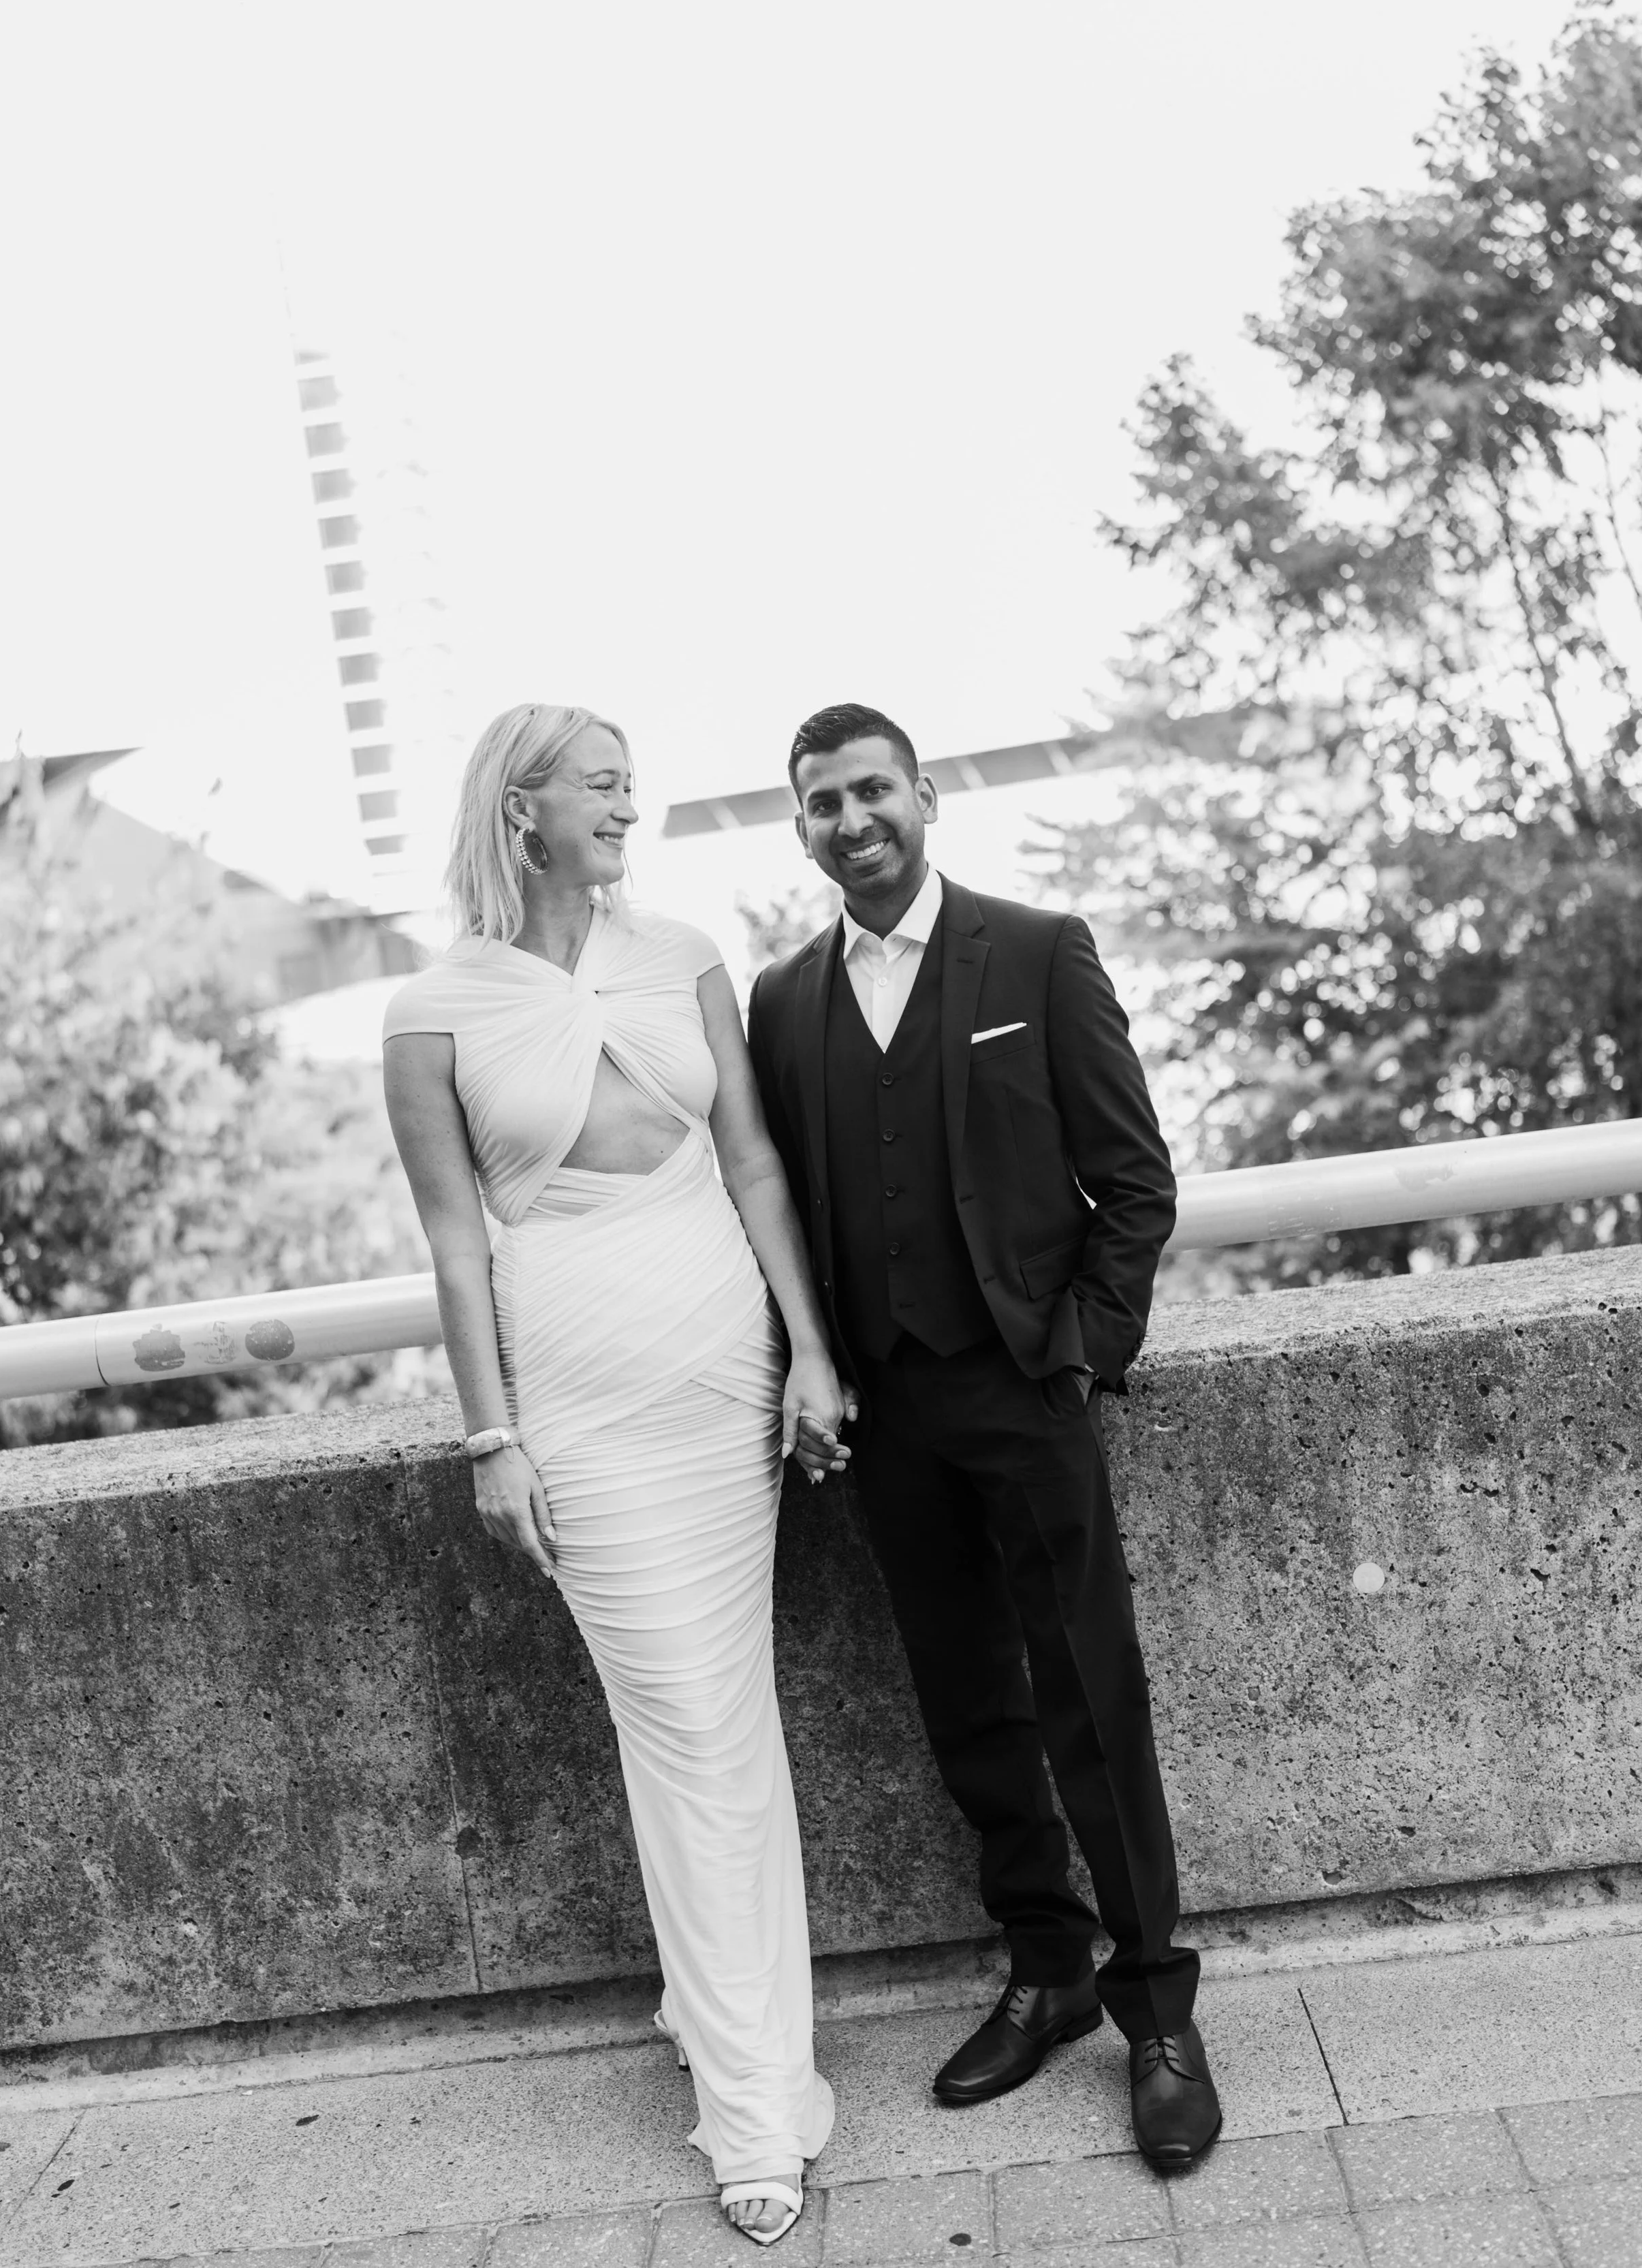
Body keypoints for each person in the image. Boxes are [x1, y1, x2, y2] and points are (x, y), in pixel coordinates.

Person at [382, 703, 847, 2246]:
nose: (624, 804)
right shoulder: (429, 1013)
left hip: (726, 1388)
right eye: (597, 784)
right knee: (688, 1727)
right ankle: (750, 2111)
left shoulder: (684, 953)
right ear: (520, 809)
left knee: (729, 1724)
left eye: (627, 783)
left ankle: (721, 2025)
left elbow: (757, 1165)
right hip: (577, 1409)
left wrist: (813, 1356)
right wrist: (488, 1438)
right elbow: (458, 1242)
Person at [746, 702, 1222, 2169]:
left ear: (924, 796)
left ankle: (1156, 2010)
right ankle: (1049, 1969)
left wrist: (1078, 1355)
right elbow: (783, 1210)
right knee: (965, 1706)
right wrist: (809, 1368)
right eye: (821, 802)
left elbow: (1132, 1182)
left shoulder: (1033, 950)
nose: (849, 819)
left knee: (1092, 1696)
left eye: (870, 789)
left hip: (1025, 1391)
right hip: (886, 1416)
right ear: (803, 827)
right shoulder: (780, 1001)